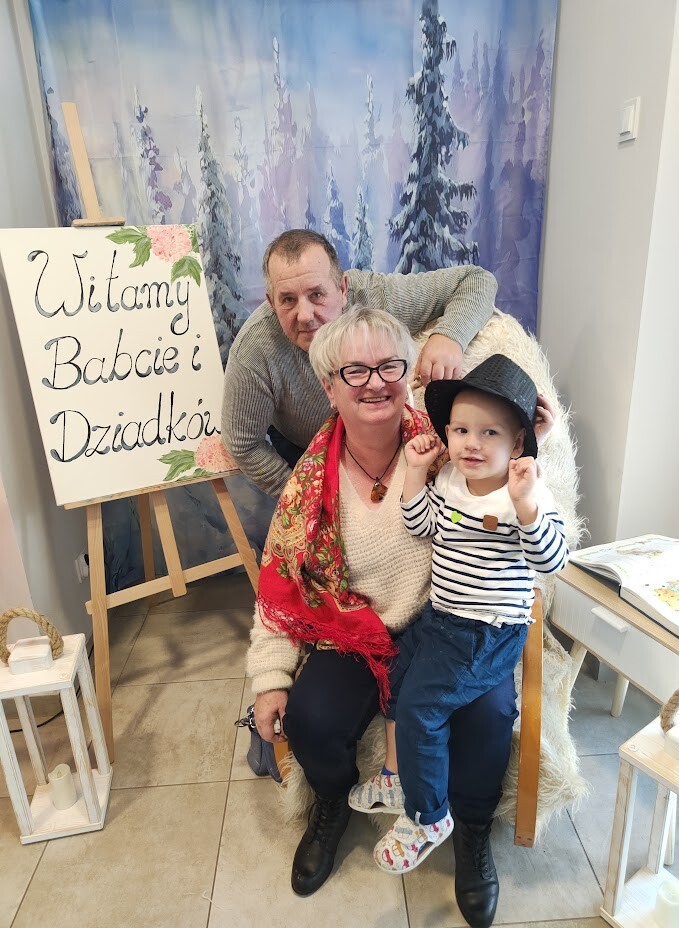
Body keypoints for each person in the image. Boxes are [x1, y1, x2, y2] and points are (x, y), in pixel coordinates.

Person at [246, 308, 555, 923]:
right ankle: (330, 805)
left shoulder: (453, 447)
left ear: (407, 375)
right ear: (328, 386)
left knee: (489, 714)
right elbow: (280, 586)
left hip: (455, 625)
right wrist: (270, 677)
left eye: (389, 365)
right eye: (353, 371)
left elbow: (523, 487)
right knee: (311, 719)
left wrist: (533, 434)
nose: (374, 382)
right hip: (355, 633)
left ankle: (469, 830)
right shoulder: (310, 481)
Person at [348, 354, 569, 926]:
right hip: (442, 617)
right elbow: (419, 526)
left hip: (486, 633)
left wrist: (526, 505)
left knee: (422, 710)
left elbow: (553, 560)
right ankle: (398, 779)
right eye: (461, 430)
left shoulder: (524, 493)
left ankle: (430, 816)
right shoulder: (449, 478)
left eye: (489, 433)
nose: (471, 443)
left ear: (517, 443)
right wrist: (415, 472)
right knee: (397, 676)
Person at [221, 228, 498, 497]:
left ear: (343, 289)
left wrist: (450, 336)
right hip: (308, 450)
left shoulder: (376, 297)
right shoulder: (253, 352)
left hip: (396, 449)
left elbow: (476, 280)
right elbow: (243, 444)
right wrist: (302, 497)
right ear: (271, 302)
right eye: (288, 300)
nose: (304, 315)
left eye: (316, 295)